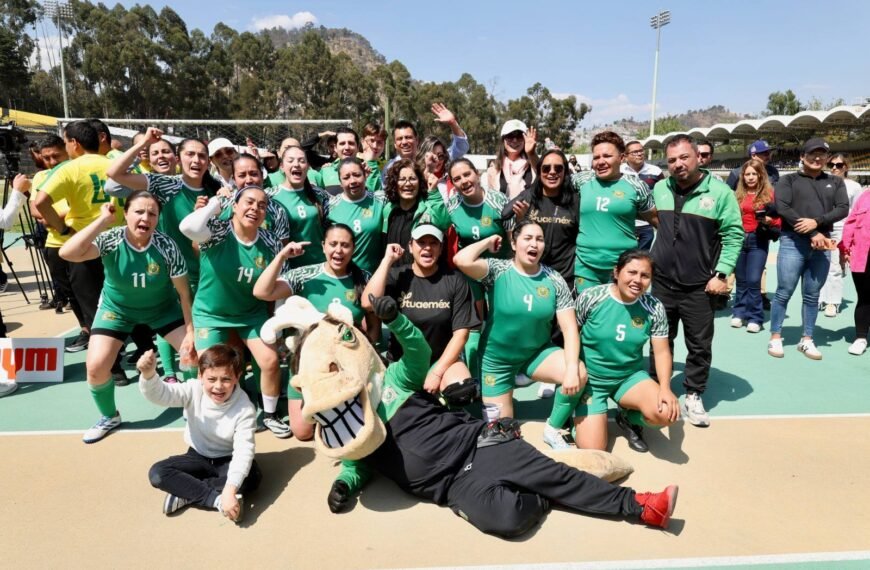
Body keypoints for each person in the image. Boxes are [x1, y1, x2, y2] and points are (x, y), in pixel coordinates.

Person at [59, 192, 195, 443]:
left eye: (152, 213)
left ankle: (192, 405)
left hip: (163, 309)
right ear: (126, 214)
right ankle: (109, 416)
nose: (145, 218)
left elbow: (185, 294)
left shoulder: (167, 246)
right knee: (96, 367)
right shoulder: (112, 238)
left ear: (158, 219)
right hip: (117, 310)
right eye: (139, 211)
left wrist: (191, 333)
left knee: (194, 356)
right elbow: (68, 252)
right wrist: (102, 221)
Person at [179, 186, 287, 438]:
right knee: (211, 368)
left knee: (270, 361)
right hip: (211, 315)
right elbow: (188, 227)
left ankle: (270, 414)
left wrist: (278, 324)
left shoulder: (270, 242)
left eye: (262, 205)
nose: (255, 208)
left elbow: (279, 284)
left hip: (251, 313)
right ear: (235, 206)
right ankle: (210, 414)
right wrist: (216, 203)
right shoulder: (218, 231)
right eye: (249, 202)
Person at [650, 135, 743, 427]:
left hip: (700, 286)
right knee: (659, 340)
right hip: (662, 283)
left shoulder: (720, 192)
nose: (678, 164)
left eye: (683, 157)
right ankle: (658, 388)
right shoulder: (660, 188)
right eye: (672, 160)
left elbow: (734, 235)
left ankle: (693, 393)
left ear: (697, 157)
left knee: (699, 344)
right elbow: (656, 221)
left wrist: (721, 274)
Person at [253, 223, 377, 440]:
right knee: (302, 432)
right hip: (307, 365)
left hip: (345, 367)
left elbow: (374, 327)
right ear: (323, 246)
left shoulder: (365, 278)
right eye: (333, 244)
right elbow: (261, 291)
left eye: (345, 245)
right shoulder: (305, 275)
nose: (338, 250)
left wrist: (364, 363)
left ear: (353, 249)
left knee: (352, 429)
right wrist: (282, 256)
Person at [546, 250, 678, 453]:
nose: (637, 280)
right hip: (591, 381)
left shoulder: (654, 307)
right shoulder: (591, 297)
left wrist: (665, 388)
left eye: (645, 276)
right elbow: (571, 334)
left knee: (667, 413)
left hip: (629, 378)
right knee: (594, 448)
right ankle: (576, 414)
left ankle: (627, 417)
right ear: (616, 272)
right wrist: (571, 372)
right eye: (631, 272)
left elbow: (661, 352)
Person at [453, 221, 583, 420]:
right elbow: (461, 260)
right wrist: (488, 241)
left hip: (536, 355)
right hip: (497, 361)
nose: (534, 244)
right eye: (528, 238)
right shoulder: (497, 270)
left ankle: (553, 428)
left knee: (579, 372)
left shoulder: (555, 279)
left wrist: (572, 369)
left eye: (539, 239)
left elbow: (570, 329)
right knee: (500, 427)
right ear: (513, 243)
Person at [34, 120, 127, 378]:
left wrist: (62, 229)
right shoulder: (115, 164)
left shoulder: (70, 168)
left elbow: (40, 202)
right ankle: (142, 352)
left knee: (93, 308)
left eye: (65, 142)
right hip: (119, 243)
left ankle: (113, 367)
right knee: (125, 300)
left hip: (85, 246)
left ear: (74, 143)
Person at [139, 345, 260, 523]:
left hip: (227, 459)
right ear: (200, 375)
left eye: (226, 379)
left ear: (237, 377)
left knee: (253, 476)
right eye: (211, 379)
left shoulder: (245, 409)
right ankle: (215, 499)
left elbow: (244, 451)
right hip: (197, 455)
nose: (218, 386)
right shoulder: (192, 390)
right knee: (158, 472)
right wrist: (149, 375)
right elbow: (162, 394)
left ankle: (186, 491)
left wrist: (230, 489)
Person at [363, 225, 480, 393]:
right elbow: (368, 303)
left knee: (460, 390)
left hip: (441, 360)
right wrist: (387, 260)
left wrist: (437, 373)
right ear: (410, 247)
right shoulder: (397, 276)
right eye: (421, 242)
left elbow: (461, 334)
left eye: (433, 243)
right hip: (403, 361)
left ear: (441, 248)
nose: (427, 248)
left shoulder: (455, 280)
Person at [769, 138, 849, 360]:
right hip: (792, 241)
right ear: (802, 156)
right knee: (784, 291)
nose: (817, 157)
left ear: (827, 158)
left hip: (822, 243)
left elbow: (843, 208)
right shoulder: (788, 180)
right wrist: (813, 232)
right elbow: (782, 208)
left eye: (822, 154)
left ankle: (807, 339)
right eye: (813, 153)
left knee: (812, 295)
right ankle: (775, 336)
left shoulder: (835, 182)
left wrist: (817, 222)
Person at [574, 132, 658, 293]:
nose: (601, 161)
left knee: (619, 309)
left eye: (607, 156)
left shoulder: (636, 186)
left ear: (622, 158)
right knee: (588, 309)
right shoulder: (581, 180)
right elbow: (547, 178)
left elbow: (657, 221)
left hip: (623, 267)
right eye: (596, 157)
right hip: (586, 267)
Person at [502, 149, 579, 286]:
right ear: (539, 172)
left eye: (558, 168)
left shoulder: (575, 201)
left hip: (564, 278)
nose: (552, 172)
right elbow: (505, 214)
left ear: (565, 172)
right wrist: (521, 220)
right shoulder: (529, 196)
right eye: (546, 168)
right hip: (532, 275)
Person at [730, 159, 780, 333]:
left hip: (758, 239)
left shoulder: (770, 195)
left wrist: (769, 220)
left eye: (754, 174)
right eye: (747, 174)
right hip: (738, 239)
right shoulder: (737, 195)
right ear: (742, 176)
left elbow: (779, 220)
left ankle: (755, 317)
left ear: (760, 175)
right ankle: (739, 312)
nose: (750, 177)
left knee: (753, 280)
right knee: (741, 280)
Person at [267, 145, 330, 268]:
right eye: (290, 161)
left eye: (301, 161)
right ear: (282, 166)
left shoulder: (320, 194)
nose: (296, 164)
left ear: (308, 166)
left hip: (321, 266)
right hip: (289, 270)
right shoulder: (270, 197)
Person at [819, 154, 863, 316]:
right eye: (831, 165)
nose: (834, 168)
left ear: (846, 166)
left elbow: (858, 211)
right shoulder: (822, 183)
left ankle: (833, 301)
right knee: (822, 264)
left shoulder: (854, 186)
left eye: (839, 165)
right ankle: (821, 297)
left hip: (842, 230)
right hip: (824, 228)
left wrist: (853, 235)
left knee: (835, 267)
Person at [382, 158, 450, 264]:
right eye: (402, 179)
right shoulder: (388, 209)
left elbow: (445, 222)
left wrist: (434, 193)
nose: (408, 183)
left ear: (420, 182)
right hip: (391, 272)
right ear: (394, 183)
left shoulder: (429, 208)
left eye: (412, 179)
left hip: (419, 273)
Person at [326, 159, 387, 273]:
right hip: (343, 276)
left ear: (365, 176)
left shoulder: (381, 199)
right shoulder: (329, 205)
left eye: (357, 175)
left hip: (374, 275)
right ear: (340, 182)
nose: (353, 181)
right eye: (346, 177)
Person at [383, 103, 469, 181]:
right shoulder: (390, 168)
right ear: (395, 144)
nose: (404, 142)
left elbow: (461, 148)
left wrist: (453, 123)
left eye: (408, 137)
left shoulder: (433, 159)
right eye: (400, 139)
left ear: (417, 140)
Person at [840, 187, 870, 355]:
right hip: (862, 254)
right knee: (864, 297)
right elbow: (850, 223)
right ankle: (861, 337)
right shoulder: (865, 196)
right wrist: (845, 248)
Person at [311, 126, 381, 195]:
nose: (347, 147)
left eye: (351, 143)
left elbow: (376, 198)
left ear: (358, 147)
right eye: (342, 143)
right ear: (335, 148)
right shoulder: (325, 172)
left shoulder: (369, 170)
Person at [621, 140, 664, 250]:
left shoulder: (656, 171)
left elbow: (663, 195)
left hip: (647, 225)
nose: (639, 154)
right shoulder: (619, 171)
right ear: (625, 156)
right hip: (624, 224)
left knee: (643, 257)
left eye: (641, 151)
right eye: (635, 152)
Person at [485, 119, 538, 199]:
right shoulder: (493, 171)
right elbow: (492, 200)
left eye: (519, 136)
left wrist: (531, 153)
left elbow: (541, 171)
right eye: (510, 136)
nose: (515, 140)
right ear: (503, 140)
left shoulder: (533, 165)